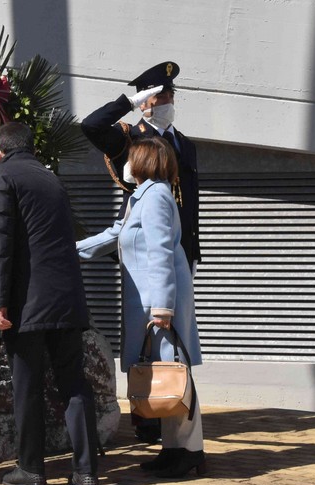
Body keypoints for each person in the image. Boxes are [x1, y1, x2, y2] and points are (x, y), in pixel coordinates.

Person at [0, 122, 100, 485]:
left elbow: (2, 238)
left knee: (26, 387)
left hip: (27, 304)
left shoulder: (1, 176)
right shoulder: (51, 179)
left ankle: (31, 470)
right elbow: (38, 238)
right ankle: (87, 473)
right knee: (74, 383)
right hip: (66, 298)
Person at [81, 61, 200, 444]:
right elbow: (92, 126)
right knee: (146, 346)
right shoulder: (130, 135)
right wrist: (128, 102)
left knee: (169, 350)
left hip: (168, 258)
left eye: (170, 95)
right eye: (159, 95)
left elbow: (188, 206)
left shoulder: (181, 147)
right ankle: (153, 419)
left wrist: (190, 252)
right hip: (145, 258)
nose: (167, 101)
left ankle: (179, 437)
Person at [76, 137, 206, 478]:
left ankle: (190, 450)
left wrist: (163, 308)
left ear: (144, 161)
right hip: (149, 302)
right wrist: (67, 249)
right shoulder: (144, 195)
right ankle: (174, 448)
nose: (125, 165)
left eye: (130, 158)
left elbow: (162, 252)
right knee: (163, 375)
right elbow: (115, 234)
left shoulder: (157, 196)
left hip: (159, 305)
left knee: (174, 374)